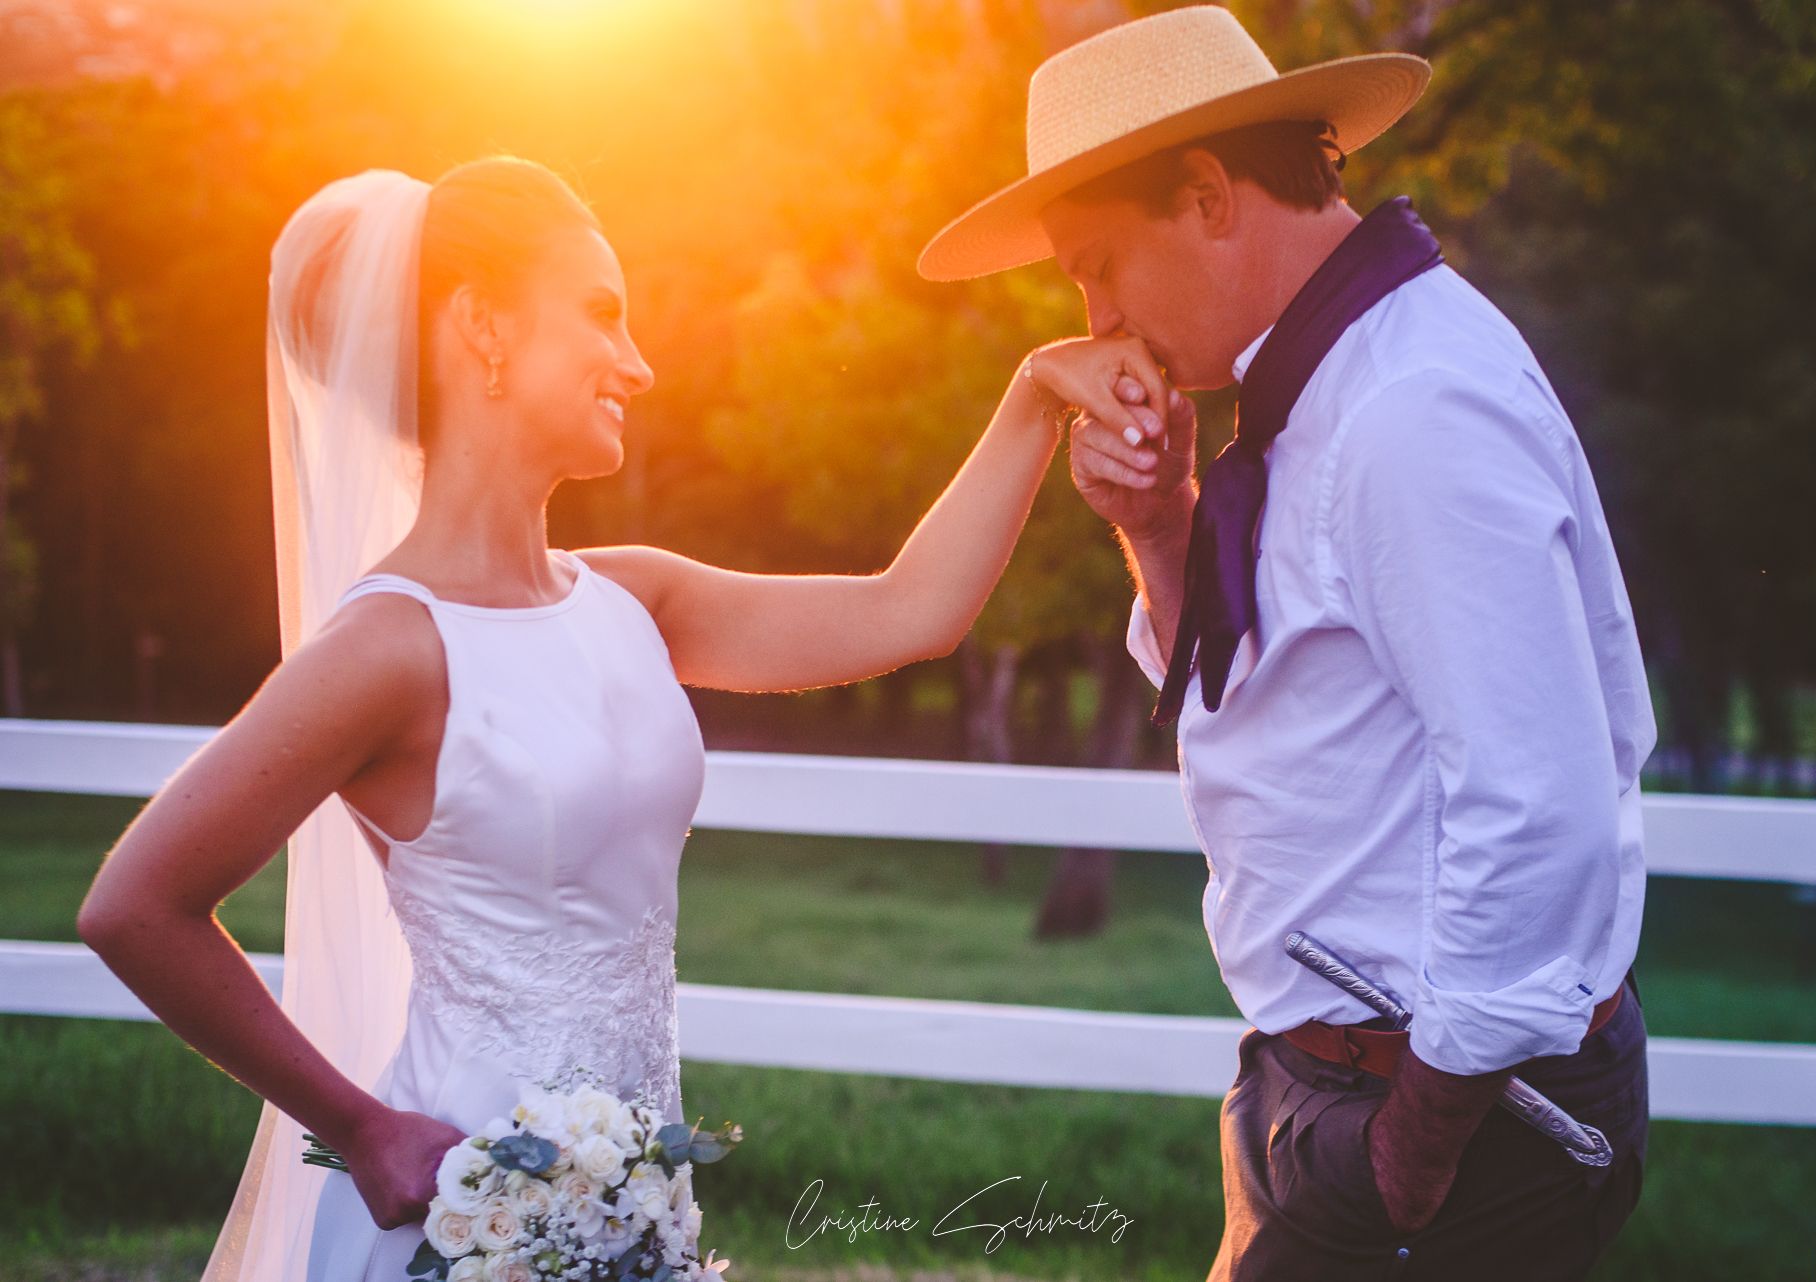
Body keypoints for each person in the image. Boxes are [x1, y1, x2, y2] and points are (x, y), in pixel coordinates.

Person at [75, 155, 1167, 1281]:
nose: (638, 366)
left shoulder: (635, 597)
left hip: (639, 1197)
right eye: (602, 315)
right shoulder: (386, 649)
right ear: (485, 328)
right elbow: (134, 905)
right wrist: (358, 1124)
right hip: (464, 1221)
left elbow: (912, 610)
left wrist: (1039, 388)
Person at [919, 7, 1658, 1279]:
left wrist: (1407, 1155)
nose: (1095, 314)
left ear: (1207, 196)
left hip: (1450, 1116)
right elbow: (1269, 701)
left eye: (1096, 263)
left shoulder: (1411, 409)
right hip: (1322, 1078)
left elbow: (1541, 810)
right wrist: (1161, 525)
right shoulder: (1315, 391)